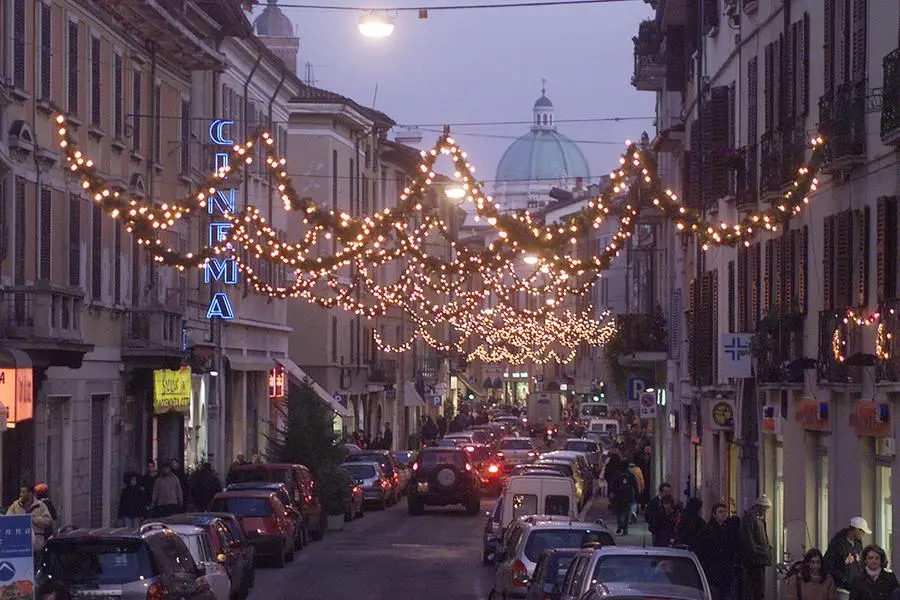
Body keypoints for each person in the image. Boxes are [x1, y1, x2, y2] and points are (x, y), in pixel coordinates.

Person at [696, 503, 741, 600]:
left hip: (727, 571)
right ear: (714, 514)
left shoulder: (729, 529)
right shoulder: (707, 531)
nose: (723, 514)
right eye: (720, 512)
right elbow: (702, 550)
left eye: (725, 512)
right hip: (713, 572)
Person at [826, 516, 871, 599]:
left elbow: (859, 562)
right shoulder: (838, 543)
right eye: (863, 531)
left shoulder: (858, 543)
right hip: (842, 590)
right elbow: (828, 564)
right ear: (857, 529)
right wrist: (843, 579)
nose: (864, 534)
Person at [741, 495, 774, 600]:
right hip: (756, 559)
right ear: (761, 507)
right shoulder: (750, 517)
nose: (766, 512)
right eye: (766, 509)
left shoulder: (757, 517)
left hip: (759, 557)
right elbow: (748, 537)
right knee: (756, 585)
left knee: (758, 585)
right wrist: (756, 551)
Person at [7, 484, 53, 553]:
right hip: (19, 545)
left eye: (23, 492)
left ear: (30, 493)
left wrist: (33, 519)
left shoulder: (41, 506)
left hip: (36, 545)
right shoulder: (15, 505)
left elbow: (48, 521)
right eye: (20, 492)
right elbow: (7, 520)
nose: (20, 495)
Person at [610, 459, 638, 535]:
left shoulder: (617, 474)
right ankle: (625, 529)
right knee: (627, 513)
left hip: (619, 496)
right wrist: (637, 495)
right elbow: (635, 485)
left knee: (618, 512)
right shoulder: (630, 474)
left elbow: (613, 484)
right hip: (628, 496)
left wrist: (612, 492)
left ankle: (620, 524)